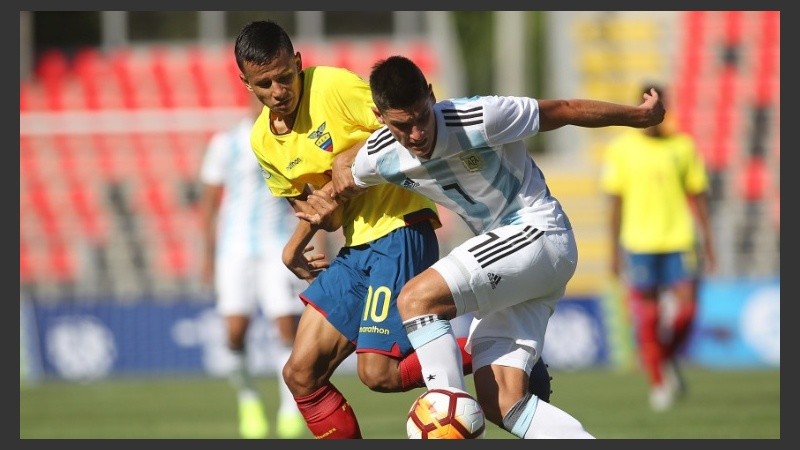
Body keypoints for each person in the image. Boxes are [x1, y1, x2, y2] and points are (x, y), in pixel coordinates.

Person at [306, 55, 665, 439]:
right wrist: (296, 245)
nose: (416, 134)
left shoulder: (477, 117)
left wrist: (638, 116)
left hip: (536, 232)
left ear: (431, 96)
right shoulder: (380, 155)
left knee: (416, 300)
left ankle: (444, 417)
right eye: (402, 126)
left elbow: (563, 109)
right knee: (502, 402)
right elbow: (332, 193)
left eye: (422, 117)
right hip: (516, 267)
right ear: (379, 117)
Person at [233, 20, 493, 440]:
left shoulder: (333, 87)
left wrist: (349, 157)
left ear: (297, 62)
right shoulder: (262, 141)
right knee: (300, 375)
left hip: (400, 228)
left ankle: (498, 349)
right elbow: (325, 214)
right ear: (247, 83)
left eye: (285, 77)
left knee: (378, 373)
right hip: (356, 246)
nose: (278, 91)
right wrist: (300, 240)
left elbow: (404, 126)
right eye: (265, 84)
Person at [199, 94, 322, 438]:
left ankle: (289, 408)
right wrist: (207, 255)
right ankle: (248, 397)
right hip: (234, 249)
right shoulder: (225, 144)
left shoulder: (291, 141)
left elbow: (308, 195)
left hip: (276, 245)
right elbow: (209, 204)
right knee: (234, 333)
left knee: (286, 326)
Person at [600, 83, 715, 412]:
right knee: (648, 317)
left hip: (680, 239)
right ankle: (659, 383)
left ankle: (664, 357)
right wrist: (613, 251)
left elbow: (697, 195)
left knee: (688, 311)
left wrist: (709, 241)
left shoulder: (683, 146)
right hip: (639, 243)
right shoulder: (621, 149)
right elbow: (615, 204)